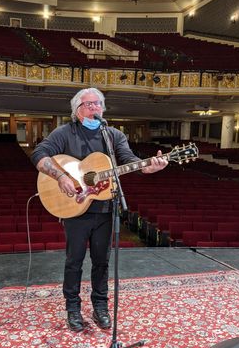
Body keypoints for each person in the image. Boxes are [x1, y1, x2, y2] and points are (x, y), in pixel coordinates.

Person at [31, 88, 168, 332]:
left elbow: (129, 160)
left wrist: (149, 167)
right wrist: (61, 176)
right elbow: (39, 154)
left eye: (99, 104)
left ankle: (100, 307)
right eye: (89, 104)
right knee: (74, 261)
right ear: (77, 109)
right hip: (76, 210)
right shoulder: (65, 132)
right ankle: (72, 308)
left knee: (101, 262)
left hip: (106, 209)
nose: (95, 108)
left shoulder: (112, 135)